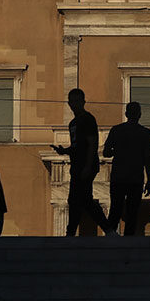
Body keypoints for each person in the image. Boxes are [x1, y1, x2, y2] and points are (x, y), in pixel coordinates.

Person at [52, 89, 115, 237]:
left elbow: (92, 144)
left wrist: (87, 166)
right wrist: (64, 151)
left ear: (83, 102)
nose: (74, 104)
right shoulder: (73, 123)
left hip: (86, 165)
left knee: (80, 199)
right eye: (72, 101)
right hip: (76, 165)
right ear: (69, 103)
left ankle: (104, 230)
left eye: (77, 101)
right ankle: (75, 232)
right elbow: (76, 146)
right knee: (78, 199)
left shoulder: (88, 119)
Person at [102, 102, 150, 236]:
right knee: (132, 213)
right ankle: (128, 241)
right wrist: (149, 180)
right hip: (136, 178)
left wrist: (118, 151)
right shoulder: (145, 133)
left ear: (126, 114)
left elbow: (106, 152)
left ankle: (110, 238)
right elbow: (148, 159)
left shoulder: (116, 130)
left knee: (115, 210)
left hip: (118, 177)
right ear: (140, 115)